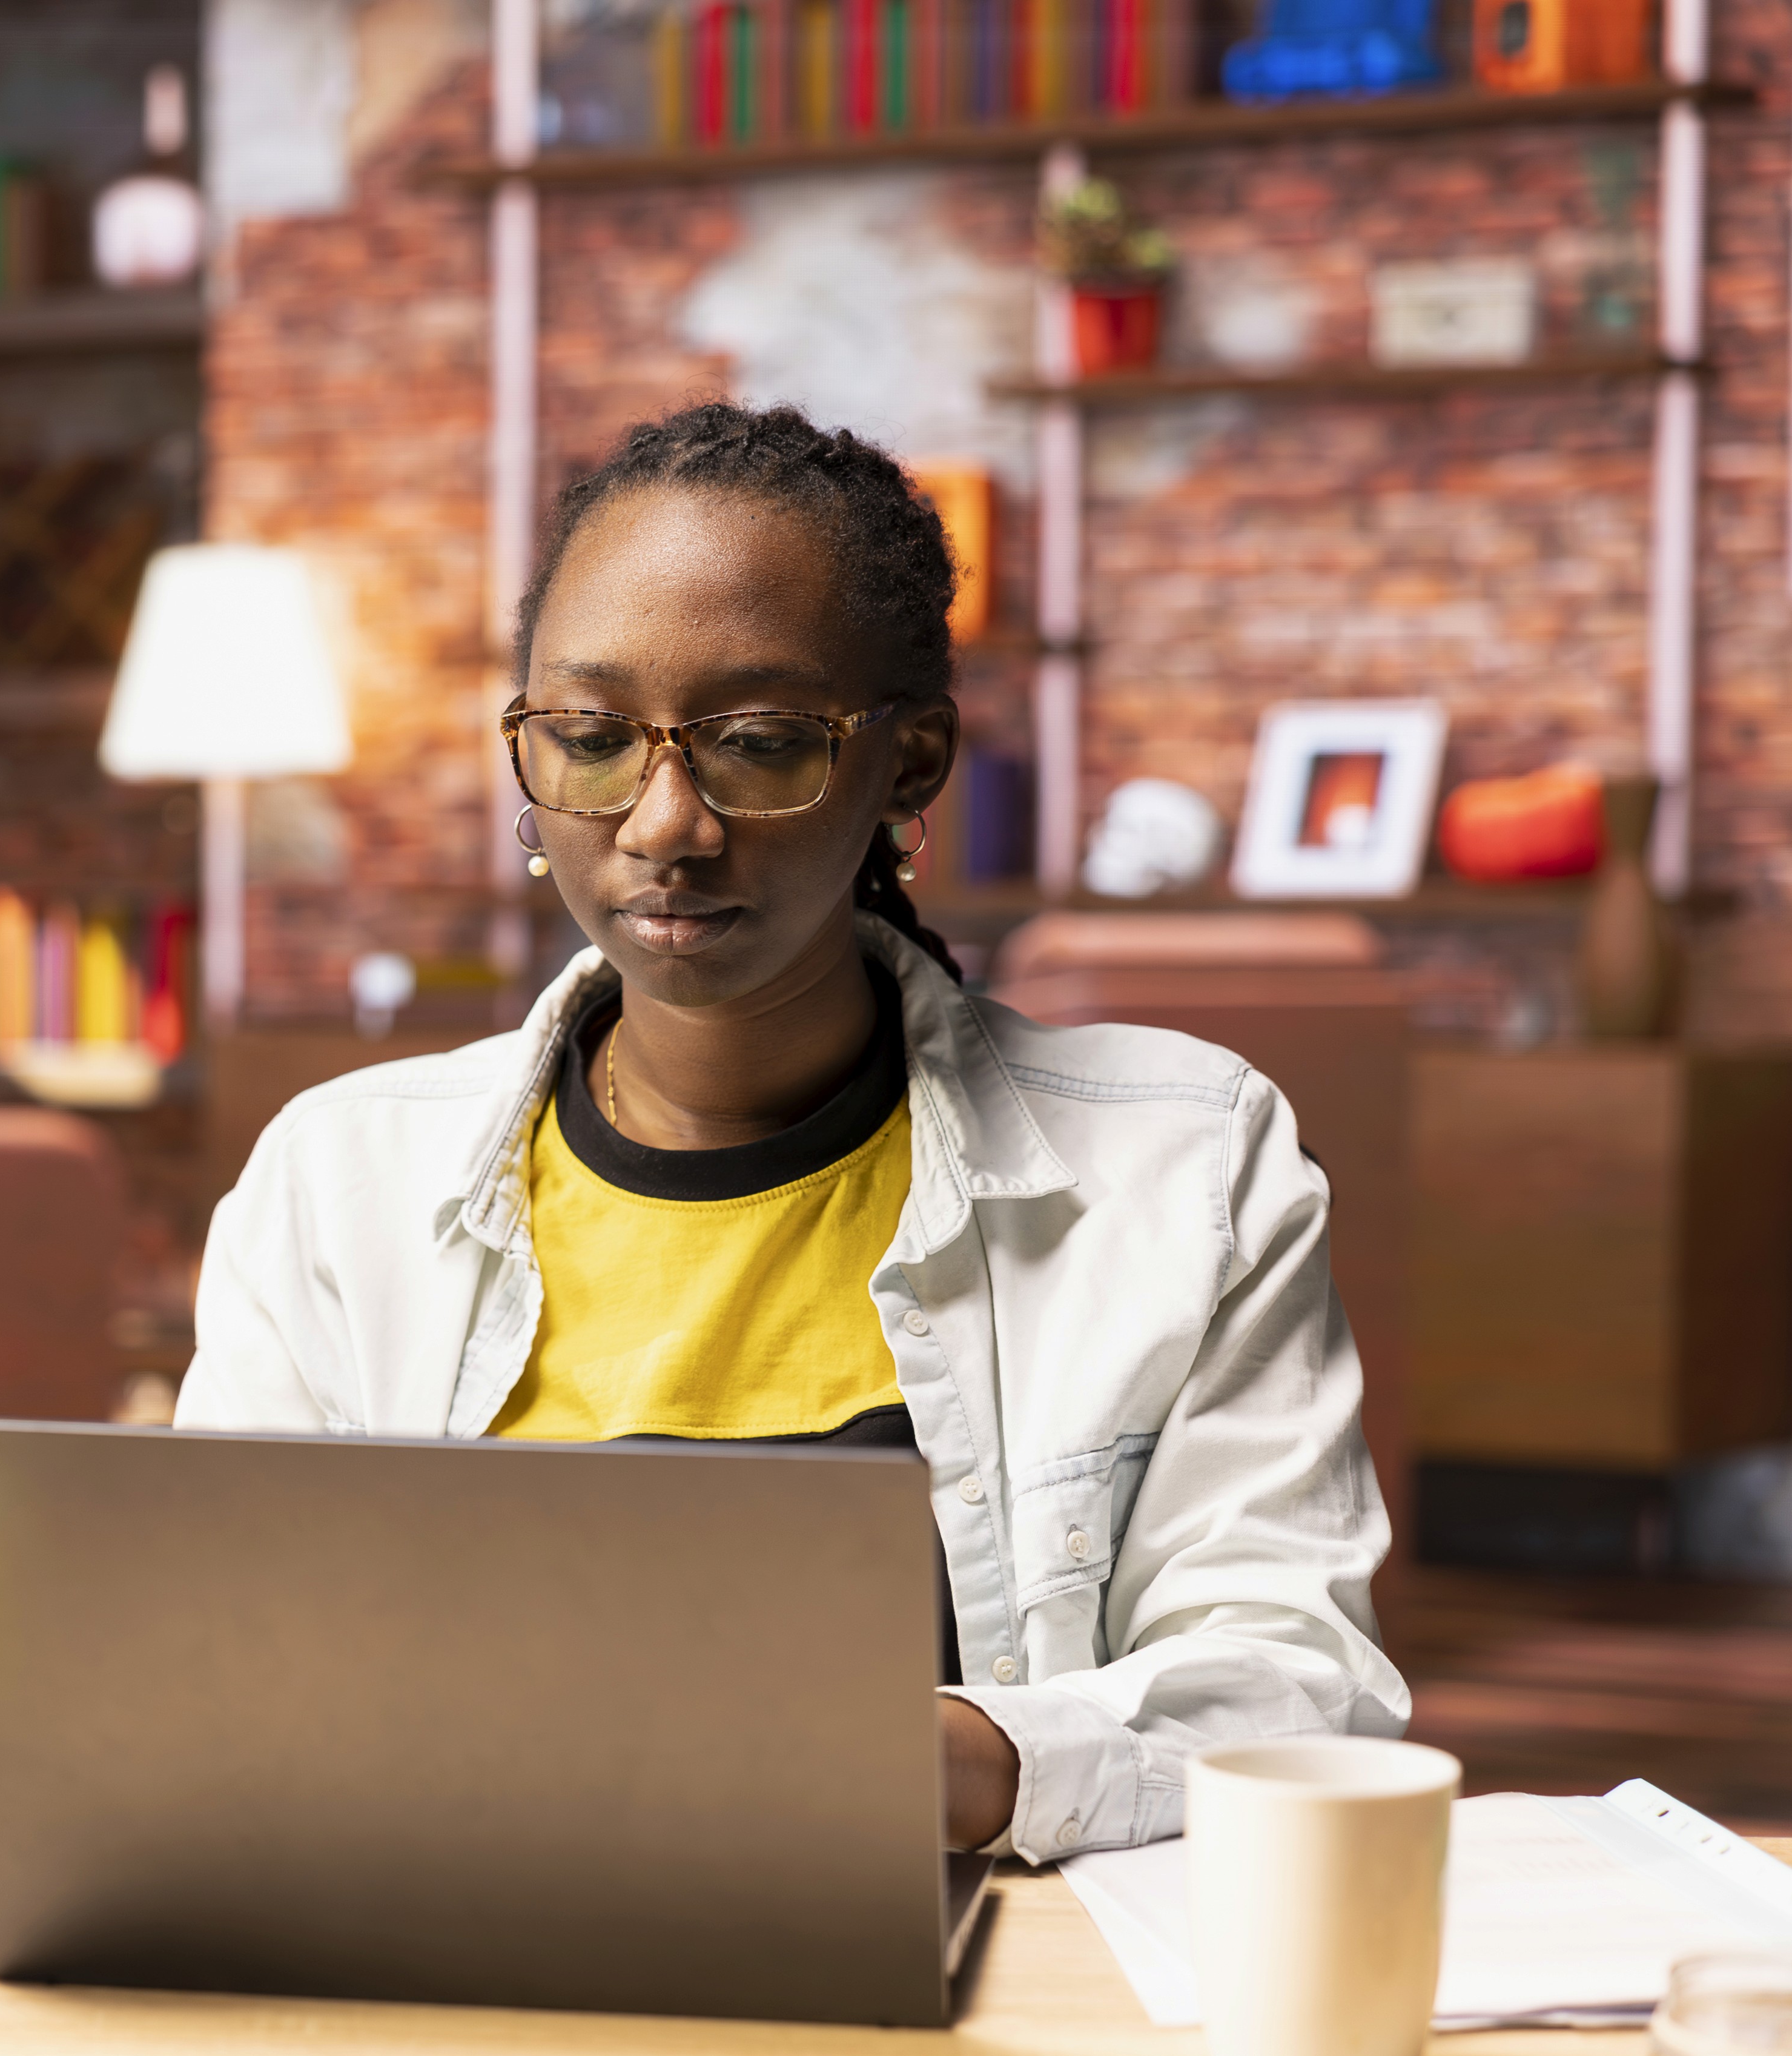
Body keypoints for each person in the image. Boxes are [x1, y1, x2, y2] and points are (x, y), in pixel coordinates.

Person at [176, 400, 1407, 1860]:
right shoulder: (336, 1181)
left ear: (910, 762)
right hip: (446, 1963)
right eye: (588, 736)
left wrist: (887, 1759)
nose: (663, 821)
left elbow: (1294, 1692)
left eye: (758, 743)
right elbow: (210, 1677)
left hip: (961, 1990)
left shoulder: (1184, 1165)